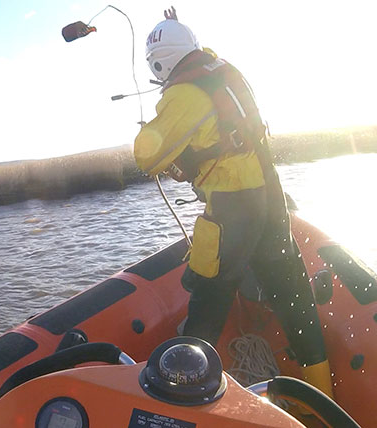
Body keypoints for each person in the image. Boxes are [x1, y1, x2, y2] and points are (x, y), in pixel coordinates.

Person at [133, 7, 334, 398]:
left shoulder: (183, 93)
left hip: (233, 210)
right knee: (292, 295)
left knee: (208, 301)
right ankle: (321, 398)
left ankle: (180, 398)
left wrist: (151, 127)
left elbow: (147, 155)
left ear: (159, 63)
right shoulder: (222, 70)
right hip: (269, 196)